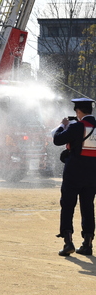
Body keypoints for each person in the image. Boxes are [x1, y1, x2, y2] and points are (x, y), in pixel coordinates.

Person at [53, 97, 96, 256]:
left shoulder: (77, 126)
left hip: (73, 173)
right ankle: (88, 243)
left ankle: (68, 242)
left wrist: (62, 126)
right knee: (88, 207)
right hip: (92, 174)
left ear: (78, 111)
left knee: (68, 206)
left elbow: (57, 140)